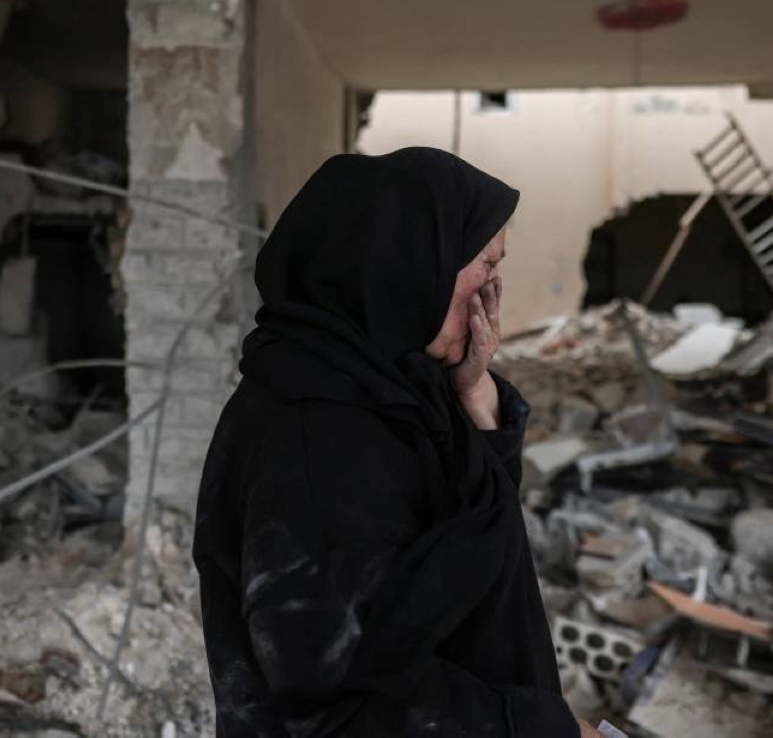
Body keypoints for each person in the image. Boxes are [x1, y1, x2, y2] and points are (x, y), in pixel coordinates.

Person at [193, 149, 605, 736]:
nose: (494, 286)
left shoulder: (399, 394)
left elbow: (467, 556)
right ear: (412, 265)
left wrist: (478, 398)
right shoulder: (317, 436)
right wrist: (532, 728)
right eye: (484, 262)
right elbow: (336, 694)